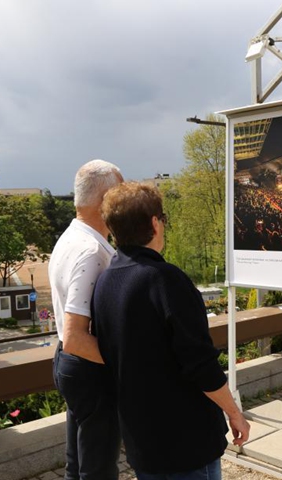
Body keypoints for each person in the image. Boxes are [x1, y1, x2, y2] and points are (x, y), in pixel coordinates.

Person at [92, 182, 250, 480]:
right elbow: (200, 364)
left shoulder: (105, 282)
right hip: (185, 441)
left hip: (142, 441)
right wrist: (234, 412)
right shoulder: (165, 280)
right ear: (155, 222)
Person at [48, 159, 123, 479]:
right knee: (98, 468)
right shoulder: (91, 251)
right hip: (89, 368)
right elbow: (77, 335)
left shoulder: (70, 237)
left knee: (78, 463)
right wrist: (127, 364)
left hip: (69, 362)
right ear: (105, 199)